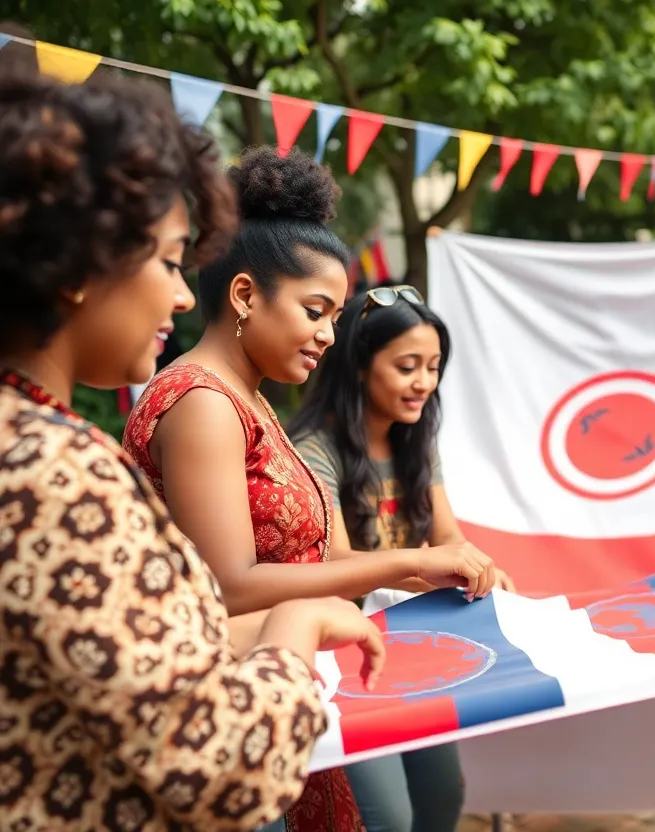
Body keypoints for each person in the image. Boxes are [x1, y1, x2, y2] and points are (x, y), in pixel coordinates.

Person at [0, 70, 385, 831]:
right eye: (170, 261)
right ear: (82, 266)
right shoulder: (54, 472)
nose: (182, 296)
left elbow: (147, 649)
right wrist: (298, 628)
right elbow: (218, 767)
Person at [122, 147, 499, 831]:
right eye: (316, 310)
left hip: (284, 680)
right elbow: (231, 584)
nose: (330, 334)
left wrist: (427, 571)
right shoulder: (201, 400)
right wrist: (410, 560)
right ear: (243, 295)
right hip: (227, 711)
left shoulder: (250, 399)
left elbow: (309, 568)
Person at [288, 285, 516, 832]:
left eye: (434, 366)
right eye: (407, 366)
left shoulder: (417, 441)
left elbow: (448, 536)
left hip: (417, 646)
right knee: (387, 816)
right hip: (347, 658)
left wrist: (481, 569)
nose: (424, 383)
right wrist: (433, 564)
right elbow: (337, 563)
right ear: (361, 367)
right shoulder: (314, 449)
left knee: (442, 800)